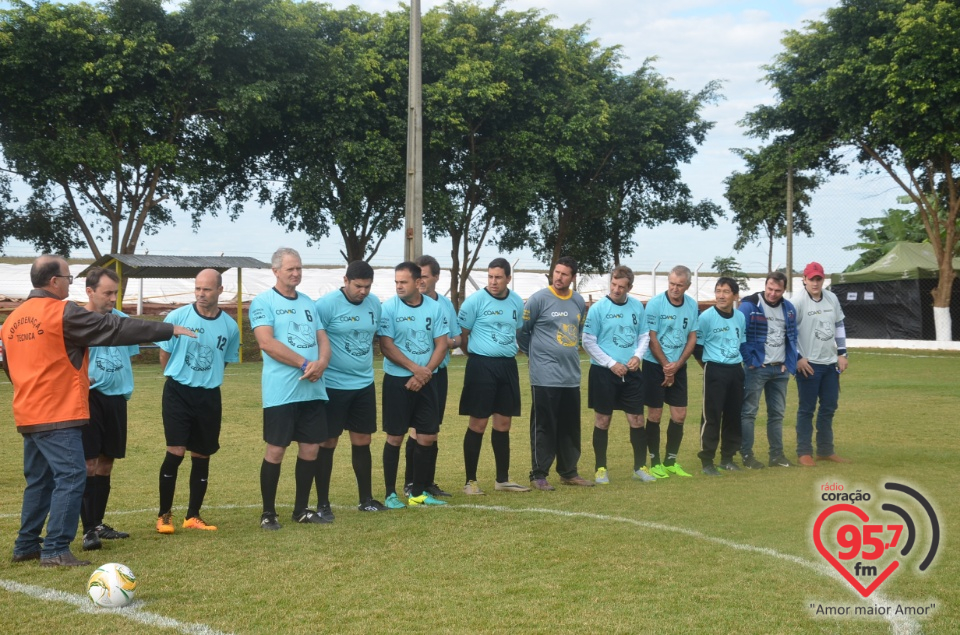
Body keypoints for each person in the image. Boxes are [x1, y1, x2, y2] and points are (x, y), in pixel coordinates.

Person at [4, 255, 193, 567]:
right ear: (54, 282)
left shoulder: (12, 320)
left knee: (40, 480)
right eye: (68, 277)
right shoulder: (61, 311)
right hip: (57, 412)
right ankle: (55, 549)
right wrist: (168, 329)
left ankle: (26, 545)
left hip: (28, 413)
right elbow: (114, 327)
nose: (70, 282)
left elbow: (10, 368)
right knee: (73, 474)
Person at [155, 269, 241, 534]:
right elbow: (164, 356)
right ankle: (164, 515)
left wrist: (206, 380)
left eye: (207, 289)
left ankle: (193, 515)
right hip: (178, 393)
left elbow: (224, 360)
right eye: (197, 289)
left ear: (219, 291)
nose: (201, 294)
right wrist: (181, 376)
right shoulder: (178, 317)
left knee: (202, 454)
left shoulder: (230, 326)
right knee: (176, 451)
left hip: (209, 396)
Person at [251, 248, 331, 530]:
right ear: (275, 271)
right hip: (281, 391)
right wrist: (304, 363)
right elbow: (266, 343)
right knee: (276, 450)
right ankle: (268, 513)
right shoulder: (263, 302)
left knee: (310, 448)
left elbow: (322, 338)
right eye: (290, 269)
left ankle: (301, 509)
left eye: (299, 268)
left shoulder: (309, 303)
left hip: (312, 390)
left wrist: (321, 363)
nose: (296, 273)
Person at [314, 261, 387, 514]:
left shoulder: (375, 303)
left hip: (364, 383)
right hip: (333, 385)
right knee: (328, 442)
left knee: (363, 440)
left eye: (367, 286)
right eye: (358, 286)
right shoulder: (325, 305)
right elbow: (314, 340)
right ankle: (323, 503)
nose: (363, 292)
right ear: (345, 280)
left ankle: (366, 500)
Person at [377, 261, 449, 508]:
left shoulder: (435, 308)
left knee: (427, 436)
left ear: (418, 283)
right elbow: (386, 345)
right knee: (395, 437)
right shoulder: (388, 308)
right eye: (396, 281)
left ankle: (418, 493)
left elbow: (442, 343)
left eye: (403, 282)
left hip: (426, 380)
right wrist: (415, 370)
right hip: (398, 381)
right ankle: (390, 494)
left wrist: (425, 372)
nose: (398, 286)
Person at [518, 256, 592, 490]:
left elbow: (576, 332)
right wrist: (535, 357)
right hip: (544, 375)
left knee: (570, 426)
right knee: (544, 426)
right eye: (557, 272)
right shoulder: (538, 299)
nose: (559, 277)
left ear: (573, 277)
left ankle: (569, 472)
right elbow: (522, 333)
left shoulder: (579, 301)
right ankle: (539, 474)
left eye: (564, 274)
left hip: (571, 376)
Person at [457, 258, 529, 494]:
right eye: (490, 277)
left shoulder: (517, 301)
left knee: (504, 423)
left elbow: (515, 330)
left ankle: (502, 479)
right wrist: (478, 356)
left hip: (507, 366)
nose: (493, 281)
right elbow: (463, 336)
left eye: (498, 277)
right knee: (478, 423)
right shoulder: (475, 301)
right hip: (481, 366)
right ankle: (470, 481)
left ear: (508, 278)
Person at [80, 268, 139, 551]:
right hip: (89, 399)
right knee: (88, 464)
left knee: (106, 463)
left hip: (116, 400)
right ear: (89, 292)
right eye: (107, 293)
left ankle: (99, 523)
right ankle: (87, 529)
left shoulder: (123, 321)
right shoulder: (77, 322)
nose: (113, 298)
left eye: (116, 293)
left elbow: (128, 356)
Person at [581, 265, 653, 484]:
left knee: (637, 419)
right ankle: (600, 468)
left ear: (629, 287)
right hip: (603, 373)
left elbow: (644, 335)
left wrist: (638, 356)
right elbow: (588, 341)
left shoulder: (637, 307)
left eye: (621, 286)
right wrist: (611, 363)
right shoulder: (598, 308)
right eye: (613, 284)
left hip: (631, 373)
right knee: (603, 420)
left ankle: (639, 468)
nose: (616, 289)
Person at [399, 255, 460, 498]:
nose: (420, 280)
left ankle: (427, 481)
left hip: (438, 375)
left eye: (424, 275)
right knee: (414, 430)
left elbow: (457, 338)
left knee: (431, 430)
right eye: (418, 276)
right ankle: (411, 483)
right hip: (412, 375)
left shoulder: (444, 305)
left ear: (436, 277)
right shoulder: (404, 304)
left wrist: (445, 342)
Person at [642, 265, 699, 479]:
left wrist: (677, 364)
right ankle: (655, 462)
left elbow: (692, 337)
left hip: (678, 366)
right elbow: (651, 338)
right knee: (655, 414)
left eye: (679, 285)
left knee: (680, 415)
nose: (675, 288)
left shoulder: (692, 306)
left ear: (688, 286)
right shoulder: (656, 304)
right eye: (672, 284)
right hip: (655, 365)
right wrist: (667, 366)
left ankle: (670, 461)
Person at [737, 271, 799, 469]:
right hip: (757, 369)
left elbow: (792, 337)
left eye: (778, 290)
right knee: (749, 412)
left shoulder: (789, 309)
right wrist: (751, 361)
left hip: (780, 370)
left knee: (777, 414)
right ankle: (747, 455)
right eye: (770, 289)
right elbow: (740, 335)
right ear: (765, 285)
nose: (773, 293)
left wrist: (788, 363)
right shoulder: (749, 305)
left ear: (784, 290)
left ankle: (777, 456)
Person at [793, 262, 850, 466]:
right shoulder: (797, 301)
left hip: (830, 364)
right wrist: (798, 357)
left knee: (829, 407)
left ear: (822, 280)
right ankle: (804, 452)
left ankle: (825, 450)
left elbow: (839, 325)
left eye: (818, 279)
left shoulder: (832, 298)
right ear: (804, 280)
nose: (815, 283)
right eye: (811, 279)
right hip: (809, 365)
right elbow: (788, 332)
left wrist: (842, 353)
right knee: (807, 409)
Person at [693, 278, 747, 476]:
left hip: (735, 370)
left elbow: (740, 342)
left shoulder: (740, 317)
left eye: (725, 291)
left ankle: (727, 458)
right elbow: (697, 347)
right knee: (712, 415)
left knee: (733, 415)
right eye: (718, 291)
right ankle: (707, 460)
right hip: (715, 370)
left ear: (735, 295)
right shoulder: (706, 317)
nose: (721, 295)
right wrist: (709, 366)